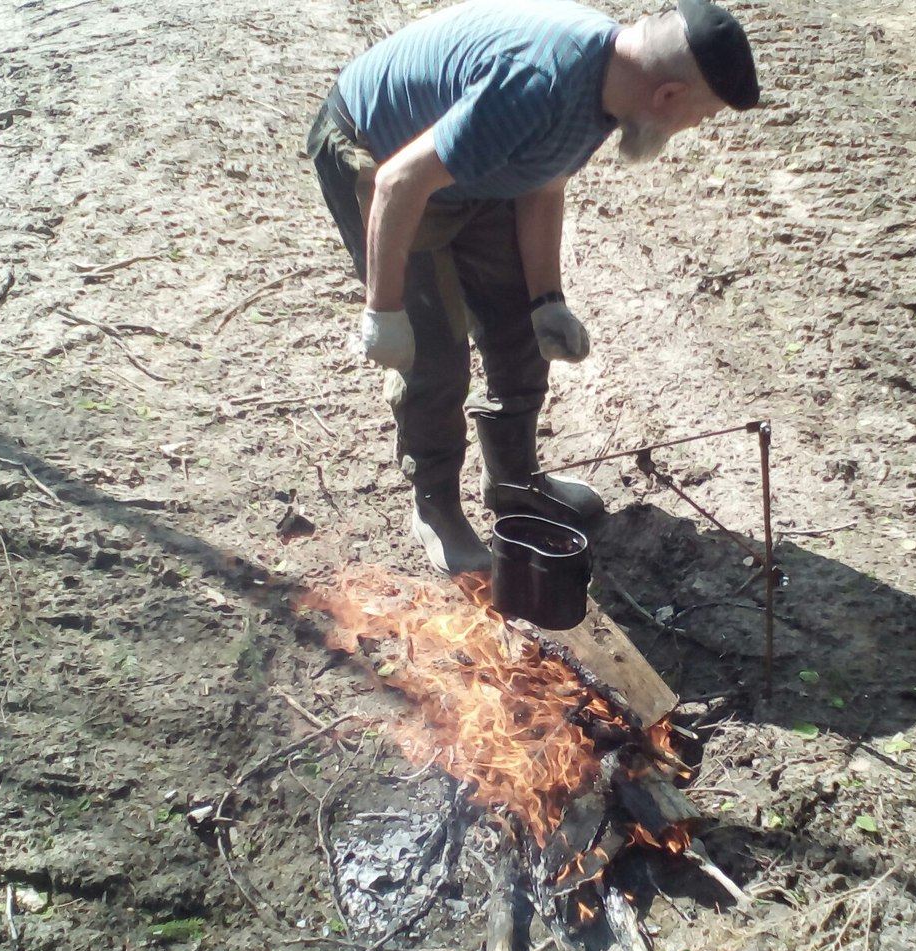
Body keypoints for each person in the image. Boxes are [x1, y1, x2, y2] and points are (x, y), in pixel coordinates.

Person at [307, 0, 759, 576]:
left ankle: (514, 484)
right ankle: (436, 507)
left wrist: (547, 301)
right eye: (705, 113)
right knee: (436, 354)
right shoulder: (539, 85)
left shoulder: (612, 85)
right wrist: (385, 309)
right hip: (380, 152)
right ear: (668, 95)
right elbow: (400, 181)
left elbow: (543, 183)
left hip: (458, 160)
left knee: (519, 324)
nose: (698, 125)